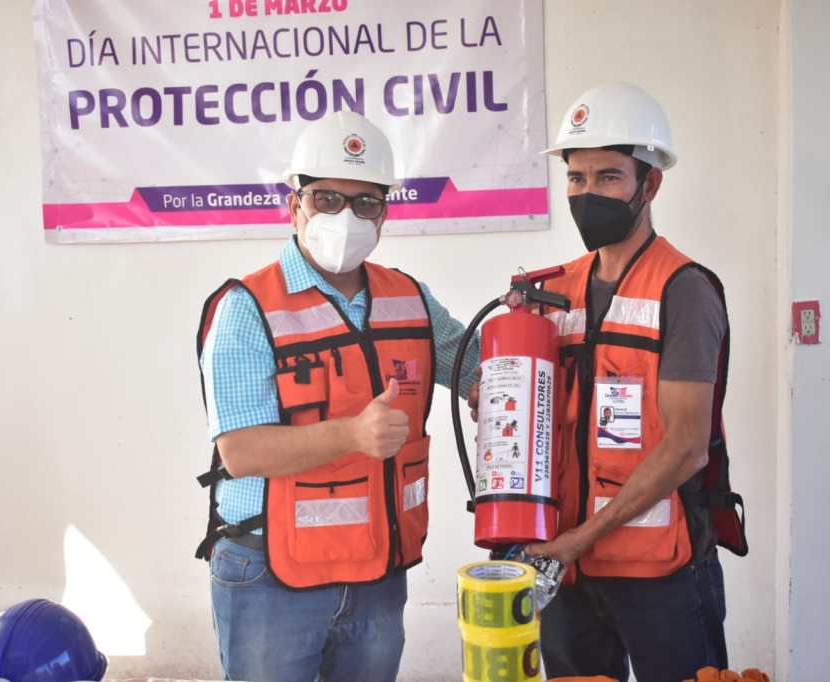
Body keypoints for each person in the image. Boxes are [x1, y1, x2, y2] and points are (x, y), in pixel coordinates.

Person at [473, 83, 747, 682]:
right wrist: (496, 401)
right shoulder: (552, 290)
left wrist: (580, 538)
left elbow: (687, 447)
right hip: (565, 567)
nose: (587, 193)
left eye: (608, 177)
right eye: (576, 177)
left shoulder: (684, 290)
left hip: (661, 570)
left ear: (650, 184)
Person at [193, 110, 479, 682]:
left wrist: (521, 351)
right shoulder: (246, 308)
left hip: (376, 568)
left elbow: (478, 370)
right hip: (270, 570)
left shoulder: (410, 299)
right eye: (326, 199)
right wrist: (351, 434)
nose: (346, 216)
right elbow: (241, 452)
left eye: (365, 202)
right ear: (294, 204)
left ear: (384, 214)